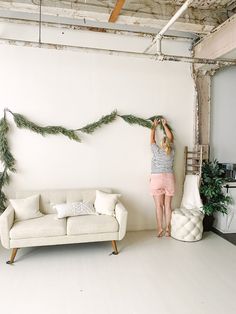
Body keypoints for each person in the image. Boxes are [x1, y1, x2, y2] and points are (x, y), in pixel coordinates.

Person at [150, 118, 175, 237]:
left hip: (156, 179)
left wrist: (154, 126)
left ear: (161, 144)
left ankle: (160, 228)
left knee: (158, 206)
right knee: (168, 206)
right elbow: (171, 137)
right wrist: (165, 125)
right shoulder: (172, 151)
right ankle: (168, 229)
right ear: (169, 143)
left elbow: (152, 139)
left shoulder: (156, 151)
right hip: (169, 179)